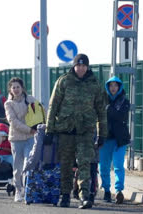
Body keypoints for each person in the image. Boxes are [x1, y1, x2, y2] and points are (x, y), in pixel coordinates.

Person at [44, 54, 107, 209]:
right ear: (74, 66)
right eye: (78, 66)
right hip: (65, 130)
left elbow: (101, 111)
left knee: (84, 163)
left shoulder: (94, 84)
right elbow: (53, 107)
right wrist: (49, 130)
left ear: (87, 67)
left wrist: (102, 134)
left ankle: (85, 196)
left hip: (85, 131)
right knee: (65, 165)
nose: (81, 68)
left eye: (84, 66)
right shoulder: (63, 81)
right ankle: (65, 196)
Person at [4, 77, 37, 202]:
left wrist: (38, 126)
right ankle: (18, 190)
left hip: (30, 137)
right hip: (16, 138)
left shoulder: (31, 99)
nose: (16, 89)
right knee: (17, 167)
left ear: (22, 88)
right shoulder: (8, 104)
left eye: (18, 87)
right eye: (13, 87)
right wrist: (29, 129)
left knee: (29, 163)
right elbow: (13, 121)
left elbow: (41, 112)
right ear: (10, 90)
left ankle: (28, 189)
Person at [99, 76, 130, 204]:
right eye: (110, 85)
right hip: (105, 138)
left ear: (119, 87)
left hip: (119, 139)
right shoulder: (102, 100)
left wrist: (108, 110)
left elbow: (120, 115)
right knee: (104, 167)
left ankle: (118, 191)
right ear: (107, 87)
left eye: (115, 85)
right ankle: (106, 190)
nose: (113, 88)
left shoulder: (124, 101)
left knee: (118, 166)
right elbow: (99, 115)